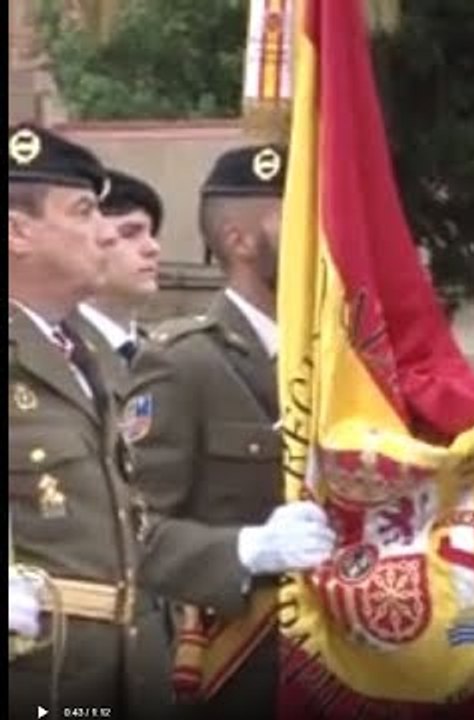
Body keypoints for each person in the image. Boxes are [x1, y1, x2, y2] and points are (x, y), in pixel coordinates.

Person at [126, 144, 333, 719]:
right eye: (301, 220)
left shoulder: (345, 358)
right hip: (239, 671)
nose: (325, 235)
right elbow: (133, 535)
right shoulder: (183, 363)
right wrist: (247, 550)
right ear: (240, 241)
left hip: (344, 668)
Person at [8, 123, 173, 719]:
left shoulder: (90, 356)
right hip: (35, 682)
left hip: (123, 671)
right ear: (16, 232)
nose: (102, 234)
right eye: (83, 212)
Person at [71, 168, 163, 392]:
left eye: (152, 234)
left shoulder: (164, 356)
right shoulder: (54, 351)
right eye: (130, 233)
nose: (153, 248)